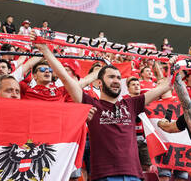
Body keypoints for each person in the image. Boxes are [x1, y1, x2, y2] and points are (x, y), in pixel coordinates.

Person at [32, 33, 177, 180]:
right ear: (99, 83)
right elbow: (65, 79)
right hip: (104, 175)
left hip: (134, 174)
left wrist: (174, 66)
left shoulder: (132, 104)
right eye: (111, 77)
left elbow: (166, 85)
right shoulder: (91, 104)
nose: (116, 81)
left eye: (119, 78)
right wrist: (45, 51)